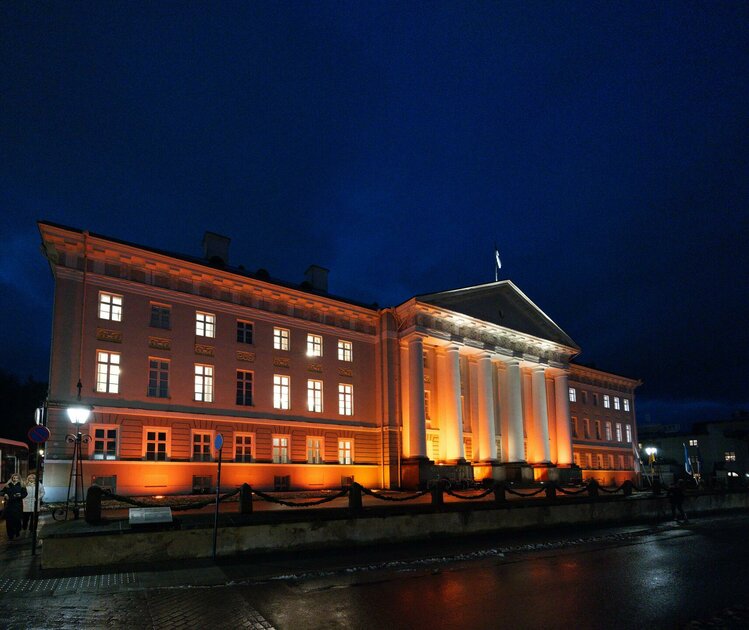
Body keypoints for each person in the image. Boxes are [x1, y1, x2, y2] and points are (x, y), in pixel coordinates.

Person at [2, 473, 28, 540]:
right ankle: (10, 534)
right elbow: (1, 492)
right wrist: (4, 494)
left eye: (16, 478)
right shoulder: (8, 485)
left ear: (19, 479)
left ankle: (17, 531)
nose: (15, 479)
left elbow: (25, 493)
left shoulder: (22, 485)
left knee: (17, 520)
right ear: (12, 478)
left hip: (17, 505)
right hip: (9, 505)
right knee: (9, 520)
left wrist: (20, 495)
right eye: (14, 478)